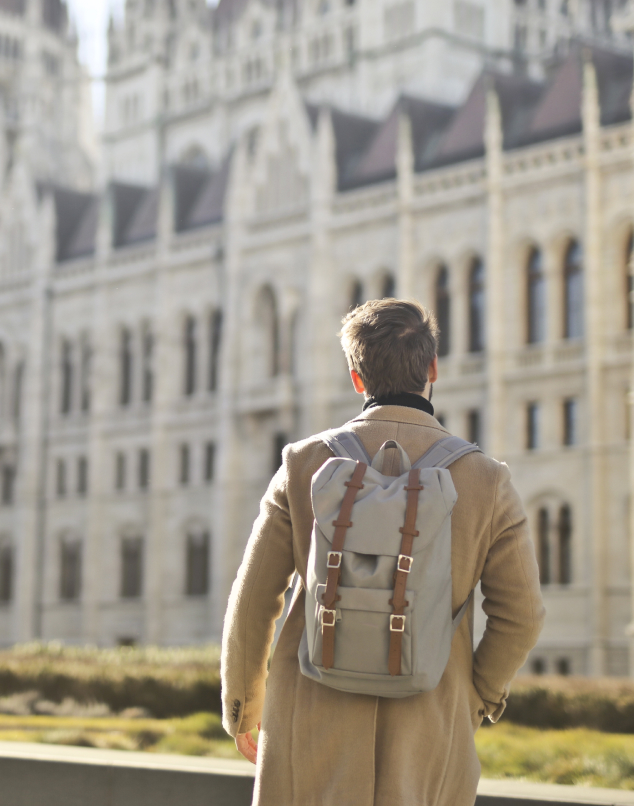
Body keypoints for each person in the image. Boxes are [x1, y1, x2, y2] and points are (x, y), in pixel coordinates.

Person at [221, 297, 544, 805]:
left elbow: (254, 599)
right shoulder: (487, 481)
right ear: (432, 368)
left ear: (357, 378)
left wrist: (244, 706)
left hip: (309, 722)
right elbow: (522, 614)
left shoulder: (303, 463)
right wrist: (473, 697)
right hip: (429, 725)